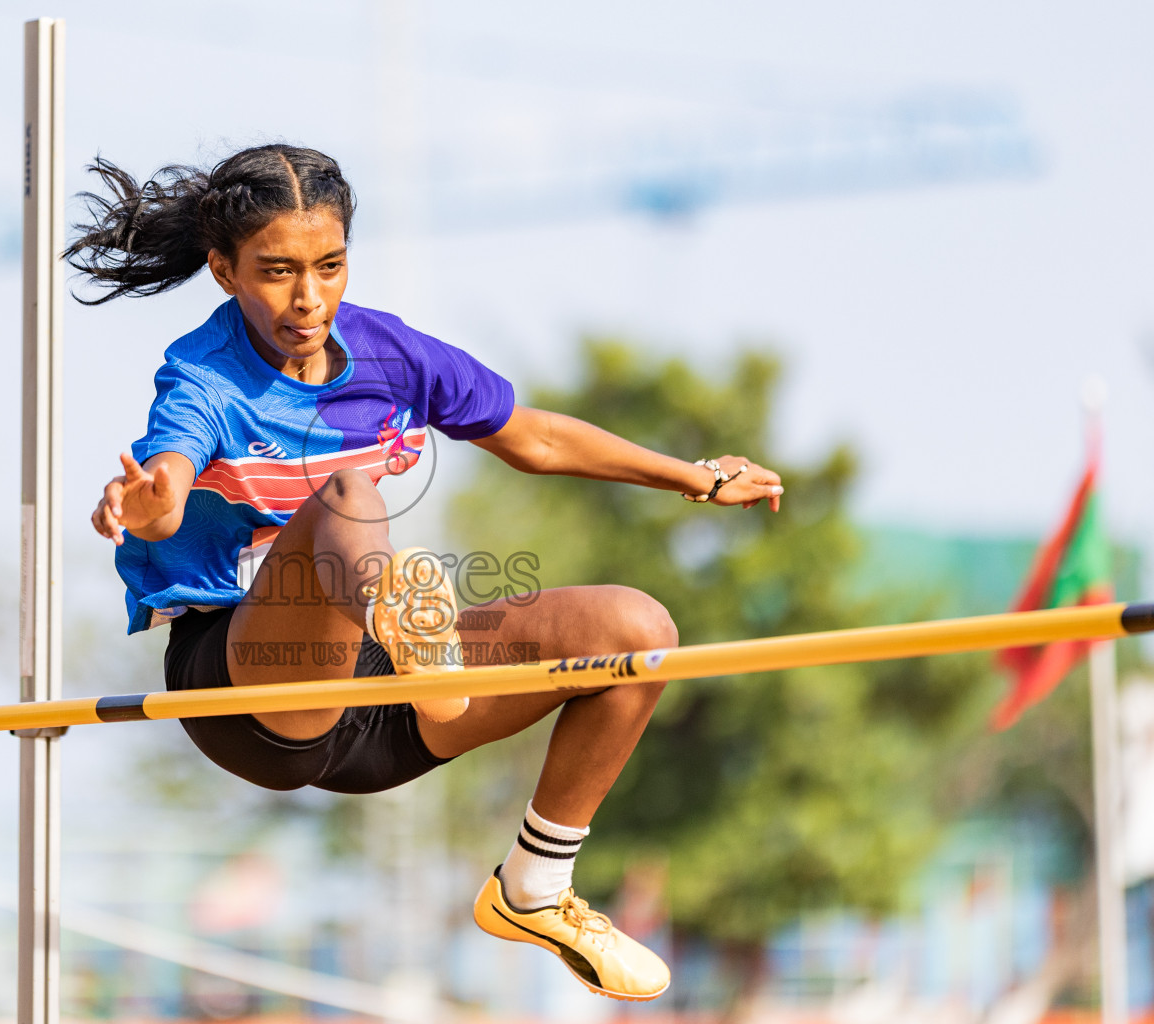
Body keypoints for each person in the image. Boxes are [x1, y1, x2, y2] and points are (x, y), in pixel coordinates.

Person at [73, 144, 784, 1002]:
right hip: (247, 691)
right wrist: (151, 507)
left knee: (637, 630)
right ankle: (406, 623)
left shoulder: (392, 352)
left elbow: (536, 438)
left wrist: (695, 476)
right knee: (348, 496)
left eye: (329, 266)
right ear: (224, 270)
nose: (309, 299)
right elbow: (168, 480)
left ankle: (535, 888)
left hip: (386, 710)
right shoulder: (204, 375)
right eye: (277, 272)